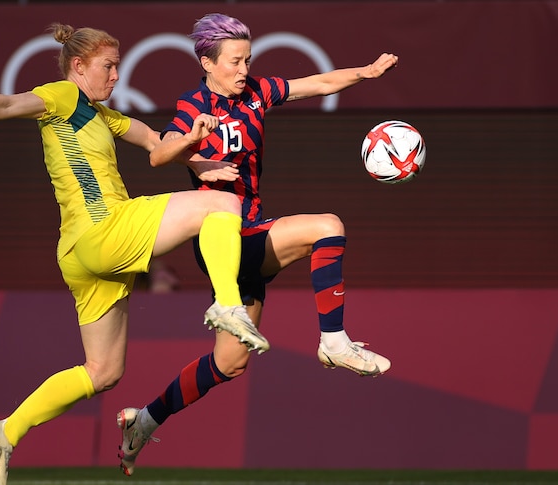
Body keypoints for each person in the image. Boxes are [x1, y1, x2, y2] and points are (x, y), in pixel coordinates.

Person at [0, 22, 270, 485]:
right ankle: (226, 303)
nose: (116, 76)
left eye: (119, 66)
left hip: (80, 254)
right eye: (108, 66)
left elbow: (158, 144)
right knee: (222, 205)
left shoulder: (102, 115)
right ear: (77, 67)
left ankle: (4, 433)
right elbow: (7, 105)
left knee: (102, 372)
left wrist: (196, 151)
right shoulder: (62, 96)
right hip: (105, 230)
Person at [115, 13, 399, 475]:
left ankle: (143, 421)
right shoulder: (194, 106)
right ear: (207, 63)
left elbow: (318, 83)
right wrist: (194, 144)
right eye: (234, 61)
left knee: (229, 365)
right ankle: (334, 340)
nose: (244, 68)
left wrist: (363, 73)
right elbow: (158, 152)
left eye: (248, 59)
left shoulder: (257, 94)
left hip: (250, 236)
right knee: (328, 225)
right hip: (225, 240)